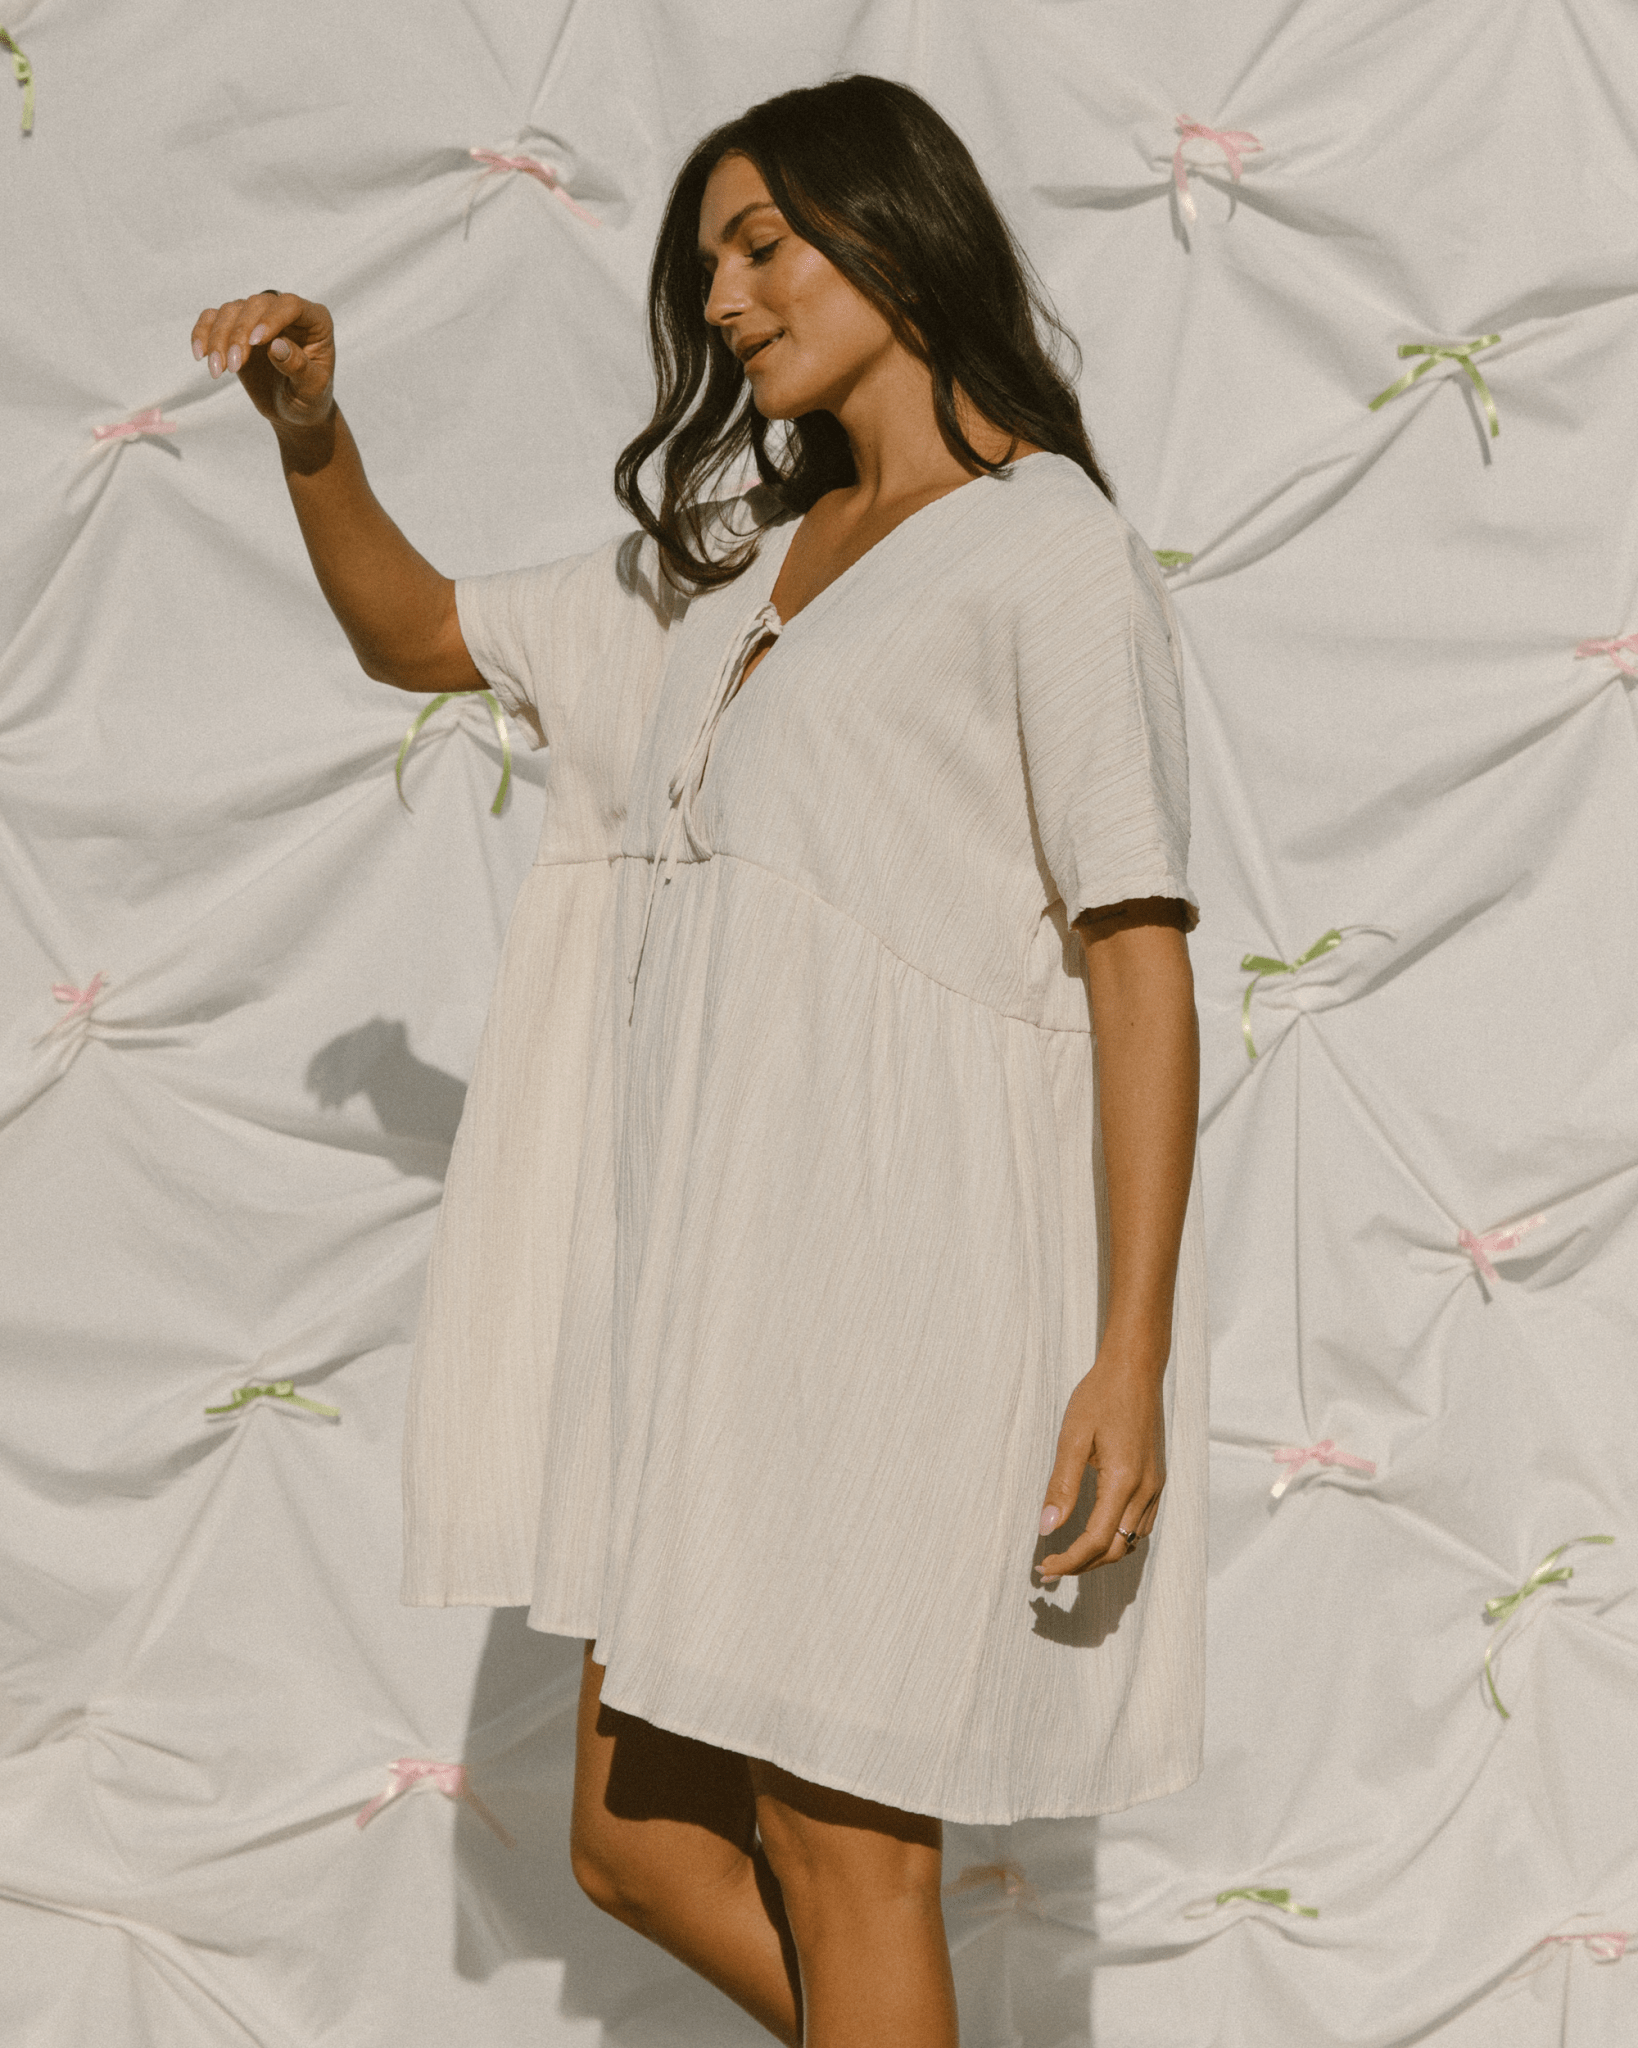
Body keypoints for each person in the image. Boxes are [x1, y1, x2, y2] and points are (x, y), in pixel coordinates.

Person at [191, 72, 1206, 2048]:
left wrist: (1134, 1349)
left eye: (762, 244)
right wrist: (315, 437)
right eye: (706, 265)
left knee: (851, 1859)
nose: (725, 301)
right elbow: (417, 630)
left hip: (899, 1300)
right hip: (707, 1308)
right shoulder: (730, 564)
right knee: (633, 1836)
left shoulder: (1044, 552)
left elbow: (1139, 958)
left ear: (896, 226)